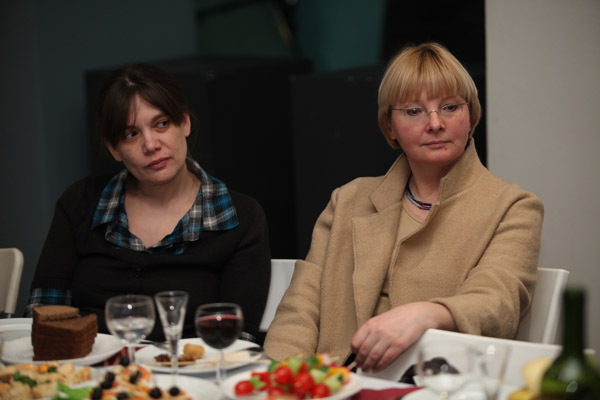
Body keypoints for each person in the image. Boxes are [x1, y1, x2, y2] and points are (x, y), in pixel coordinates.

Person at [264, 42, 543, 371]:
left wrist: (429, 314)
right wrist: (285, 377)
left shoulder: (513, 207)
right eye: (414, 111)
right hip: (333, 382)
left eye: (450, 107)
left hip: (437, 385)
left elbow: (497, 300)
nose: (435, 123)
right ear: (390, 127)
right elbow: (301, 306)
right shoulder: (348, 200)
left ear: (471, 117)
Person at [26, 63, 271, 341]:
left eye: (161, 124)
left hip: (191, 366)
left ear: (185, 122)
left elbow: (235, 341)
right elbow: (44, 316)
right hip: (86, 363)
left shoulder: (239, 217)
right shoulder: (80, 203)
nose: (151, 145)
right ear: (113, 148)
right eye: (131, 134)